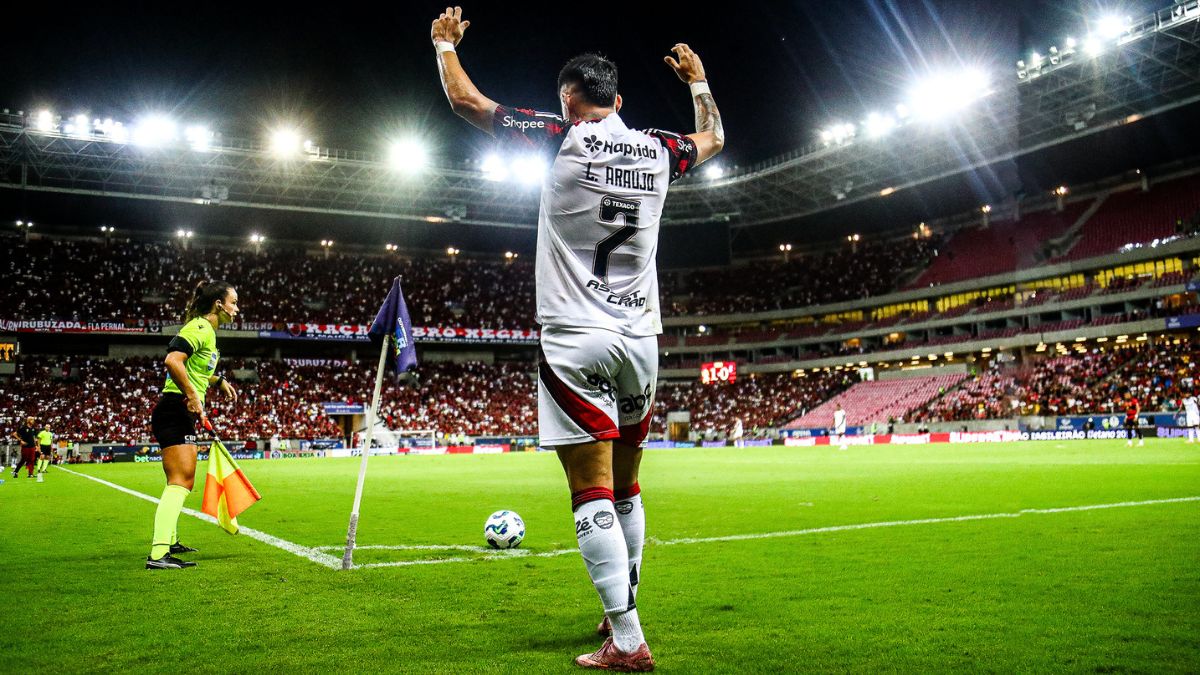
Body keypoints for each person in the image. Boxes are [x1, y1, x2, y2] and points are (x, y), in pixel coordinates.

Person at [431, 7, 723, 670]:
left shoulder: (555, 138)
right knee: (628, 486)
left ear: (568, 102)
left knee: (591, 489)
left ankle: (626, 637)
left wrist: (443, 43)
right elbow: (714, 138)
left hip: (574, 337)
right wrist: (699, 84)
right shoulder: (657, 148)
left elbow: (464, 100)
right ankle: (618, 607)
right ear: (618, 100)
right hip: (641, 340)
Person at [145, 280, 240, 570]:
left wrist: (218, 380)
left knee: (179, 479)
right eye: (234, 302)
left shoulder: (207, 333)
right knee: (182, 480)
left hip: (178, 410)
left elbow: (195, 369)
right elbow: (173, 360)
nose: (237, 309)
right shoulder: (199, 328)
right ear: (219, 304)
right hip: (175, 408)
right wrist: (191, 396)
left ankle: (169, 541)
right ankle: (159, 554)